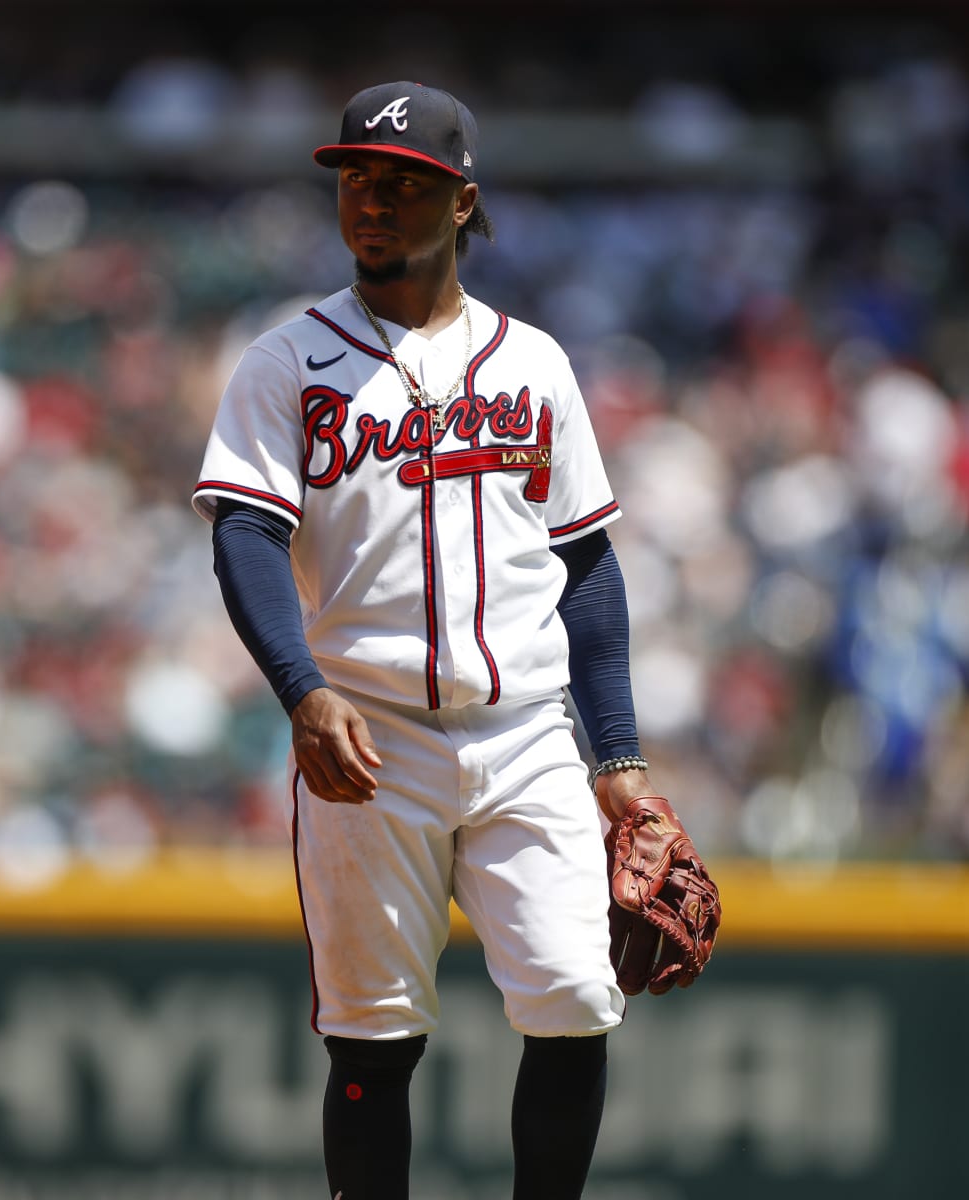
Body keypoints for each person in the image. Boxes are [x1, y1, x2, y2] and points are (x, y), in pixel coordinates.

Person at [193, 81, 705, 1199]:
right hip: (366, 736)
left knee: (574, 1000)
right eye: (358, 178)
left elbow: (586, 567)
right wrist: (299, 690)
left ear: (463, 201)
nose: (372, 200)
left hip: (525, 730)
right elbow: (243, 536)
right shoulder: (288, 362)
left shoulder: (536, 364)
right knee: (373, 1041)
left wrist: (616, 758)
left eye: (404, 182)